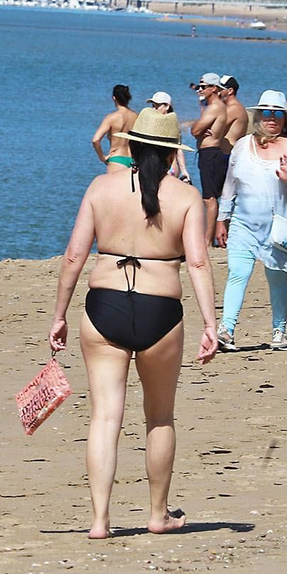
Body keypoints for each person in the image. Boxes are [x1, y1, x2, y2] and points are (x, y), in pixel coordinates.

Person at [49, 107, 217, 539]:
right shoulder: (185, 197)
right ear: (169, 155)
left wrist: (59, 315)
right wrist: (211, 323)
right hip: (161, 310)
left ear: (132, 144)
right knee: (159, 417)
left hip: (104, 305)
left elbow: (74, 255)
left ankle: (100, 520)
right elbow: (197, 260)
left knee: (105, 417)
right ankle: (158, 514)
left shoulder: (101, 187)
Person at [214, 91, 287, 350]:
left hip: (277, 226)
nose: (272, 118)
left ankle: (279, 331)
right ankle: (226, 329)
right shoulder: (243, 145)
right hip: (242, 223)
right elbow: (230, 185)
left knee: (276, 277)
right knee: (238, 273)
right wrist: (222, 219)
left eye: (277, 113)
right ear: (258, 116)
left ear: (285, 118)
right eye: (267, 112)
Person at [190, 73, 231, 246]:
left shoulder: (215, 107)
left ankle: (207, 240)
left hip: (210, 153)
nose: (199, 89)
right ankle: (210, 238)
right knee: (211, 196)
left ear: (213, 88)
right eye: (199, 86)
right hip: (208, 152)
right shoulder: (212, 106)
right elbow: (198, 128)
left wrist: (198, 128)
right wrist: (199, 127)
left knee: (209, 198)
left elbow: (195, 130)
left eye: (203, 86)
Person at [91, 84, 137, 171]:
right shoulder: (136, 116)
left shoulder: (112, 117)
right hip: (133, 160)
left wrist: (102, 157)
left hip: (117, 159)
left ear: (114, 98)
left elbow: (95, 140)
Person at [148, 91, 192, 181]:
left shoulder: (173, 125)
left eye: (157, 106)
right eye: (153, 106)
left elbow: (178, 149)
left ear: (167, 106)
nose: (154, 109)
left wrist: (184, 171)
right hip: (153, 165)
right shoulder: (150, 123)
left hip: (170, 167)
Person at [221, 76, 250, 145]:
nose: (216, 92)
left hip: (228, 153)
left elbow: (214, 128)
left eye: (220, 89)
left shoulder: (233, 108)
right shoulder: (233, 107)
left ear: (230, 91)